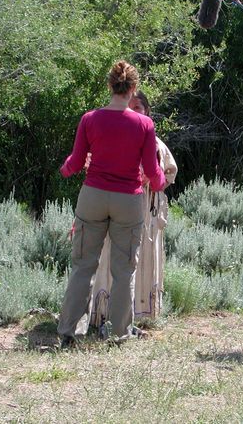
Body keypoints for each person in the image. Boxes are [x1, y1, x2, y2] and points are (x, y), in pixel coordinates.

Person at [58, 61, 165, 347]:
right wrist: (159, 183)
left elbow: (77, 162)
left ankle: (68, 331)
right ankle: (119, 333)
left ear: (110, 86)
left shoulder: (90, 119)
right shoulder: (144, 124)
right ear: (133, 89)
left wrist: (64, 170)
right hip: (127, 200)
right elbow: (152, 169)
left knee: (83, 266)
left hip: (92, 196)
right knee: (124, 270)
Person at [75, 91, 178, 336]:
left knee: (134, 265)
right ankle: (102, 316)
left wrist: (153, 178)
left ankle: (131, 320)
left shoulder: (153, 140)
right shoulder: (109, 133)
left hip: (144, 211)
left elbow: (168, 172)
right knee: (107, 260)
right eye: (129, 105)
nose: (133, 110)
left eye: (138, 107)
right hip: (117, 206)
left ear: (147, 111)